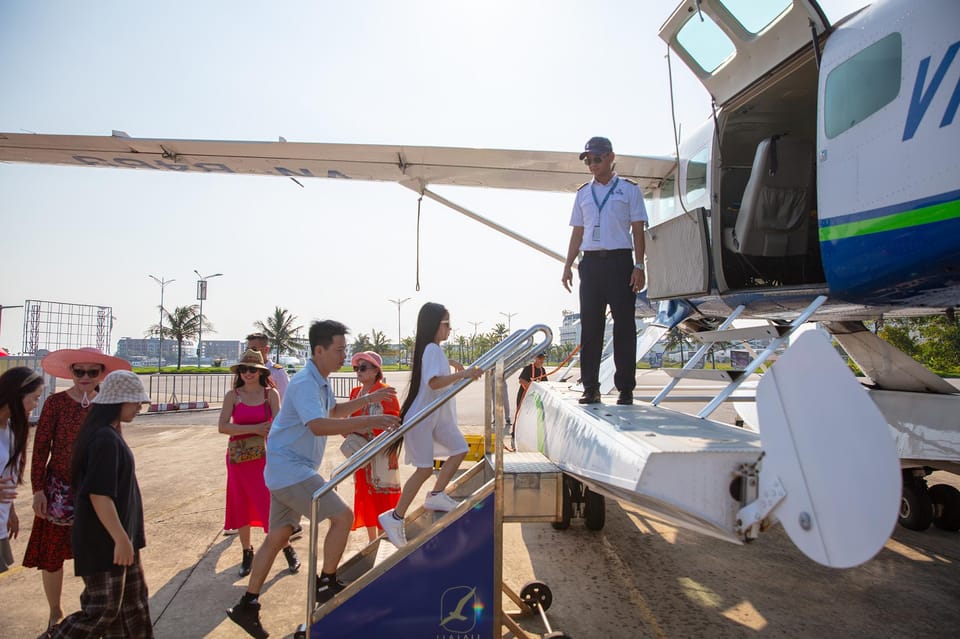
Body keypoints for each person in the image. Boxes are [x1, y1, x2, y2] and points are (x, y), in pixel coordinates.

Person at [226, 320, 399, 639]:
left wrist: (371, 400)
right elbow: (319, 425)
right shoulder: (306, 382)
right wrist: (376, 417)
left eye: (346, 351)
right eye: (339, 350)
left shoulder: (318, 381)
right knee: (342, 517)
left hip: (283, 469)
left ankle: (246, 605)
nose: (345, 357)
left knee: (277, 537)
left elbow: (333, 411)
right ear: (319, 350)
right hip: (292, 469)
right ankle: (326, 582)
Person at [23, 347, 131, 629]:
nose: (84, 377)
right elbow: (41, 448)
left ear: (101, 374)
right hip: (57, 489)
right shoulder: (56, 404)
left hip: (96, 490)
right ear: (70, 372)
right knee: (52, 555)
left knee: (94, 552)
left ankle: (92, 608)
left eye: (92, 372)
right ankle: (55, 610)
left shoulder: (108, 406)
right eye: (78, 371)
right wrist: (38, 489)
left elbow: (116, 448)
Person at [41, 370, 153, 638]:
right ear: (118, 401)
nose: (139, 407)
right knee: (103, 610)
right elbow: (98, 494)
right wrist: (121, 539)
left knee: (132, 609)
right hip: (106, 541)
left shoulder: (106, 433)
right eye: (135, 401)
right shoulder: (103, 438)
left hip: (120, 539)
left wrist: (126, 538)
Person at [378, 302, 483, 548]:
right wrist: (463, 374)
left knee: (459, 449)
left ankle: (436, 495)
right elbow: (434, 383)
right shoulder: (432, 349)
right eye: (446, 323)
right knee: (424, 469)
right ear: (434, 325)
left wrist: (454, 367)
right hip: (423, 420)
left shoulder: (433, 349)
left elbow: (437, 380)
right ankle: (395, 517)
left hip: (432, 418)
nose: (449, 329)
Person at [561, 136, 647, 406]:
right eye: (588, 160)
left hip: (620, 262)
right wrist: (568, 265)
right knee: (591, 328)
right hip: (591, 264)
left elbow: (638, 230)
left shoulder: (630, 190)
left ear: (611, 157)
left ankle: (625, 388)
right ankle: (590, 387)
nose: (592, 164)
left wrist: (639, 265)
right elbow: (578, 231)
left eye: (597, 159)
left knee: (624, 327)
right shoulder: (583, 193)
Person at [218, 349, 299, 578]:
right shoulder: (232, 395)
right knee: (240, 503)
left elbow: (281, 425)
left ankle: (286, 547)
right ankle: (247, 551)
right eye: (243, 369)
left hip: (264, 458)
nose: (247, 373)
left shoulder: (270, 394)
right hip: (238, 459)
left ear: (261, 371)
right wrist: (254, 429)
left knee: (269, 506)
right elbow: (223, 426)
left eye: (252, 369)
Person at [345, 351, 401, 542]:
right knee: (365, 496)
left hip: (381, 455)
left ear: (376, 370)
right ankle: (372, 541)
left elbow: (394, 423)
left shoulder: (386, 391)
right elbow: (347, 420)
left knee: (383, 497)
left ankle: (384, 537)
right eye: (356, 368)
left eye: (362, 368)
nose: (358, 372)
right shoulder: (355, 393)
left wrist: (366, 429)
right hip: (361, 454)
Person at [0, 367, 45, 573]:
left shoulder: (9, 429)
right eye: (35, 398)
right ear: (18, 393)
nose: (35, 406)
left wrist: (10, 510)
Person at [246, 332, 290, 399]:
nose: (250, 352)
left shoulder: (278, 372)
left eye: (254, 349)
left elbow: (286, 399)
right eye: (247, 349)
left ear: (266, 349)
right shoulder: (245, 372)